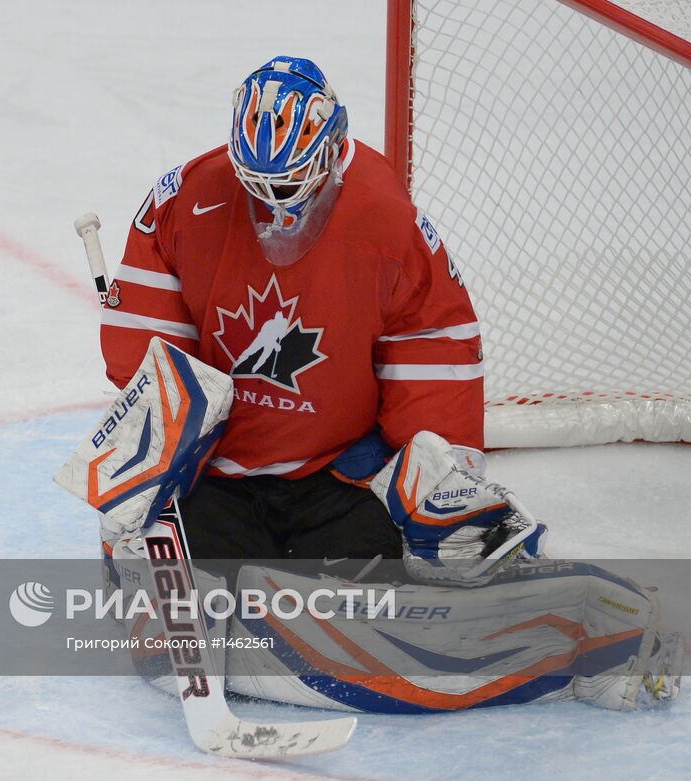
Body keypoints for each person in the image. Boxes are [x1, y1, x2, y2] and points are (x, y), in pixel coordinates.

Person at [81, 55, 680, 713]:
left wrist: (437, 467)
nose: (272, 209)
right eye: (257, 185)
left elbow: (432, 346)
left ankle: (579, 624)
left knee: (389, 590)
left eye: (290, 187)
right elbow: (144, 353)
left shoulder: (382, 214)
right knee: (184, 586)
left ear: (333, 151)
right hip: (218, 474)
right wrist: (152, 451)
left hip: (334, 473)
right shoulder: (183, 201)